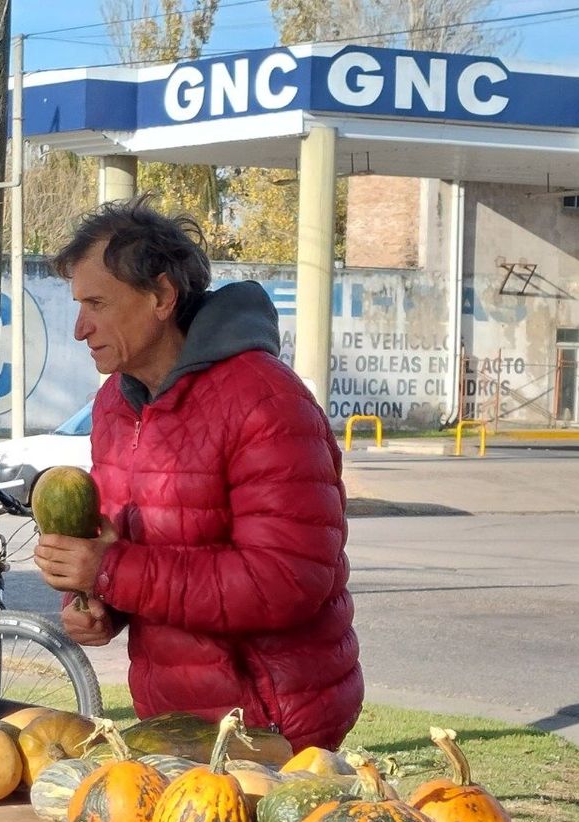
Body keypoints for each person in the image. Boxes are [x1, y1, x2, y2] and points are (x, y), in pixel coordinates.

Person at [33, 197, 363, 750]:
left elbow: (285, 582)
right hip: (175, 720)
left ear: (162, 296)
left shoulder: (266, 402)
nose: (79, 328)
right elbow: (124, 542)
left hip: (272, 726)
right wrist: (95, 605)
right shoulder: (115, 402)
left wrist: (110, 571)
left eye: (96, 303)